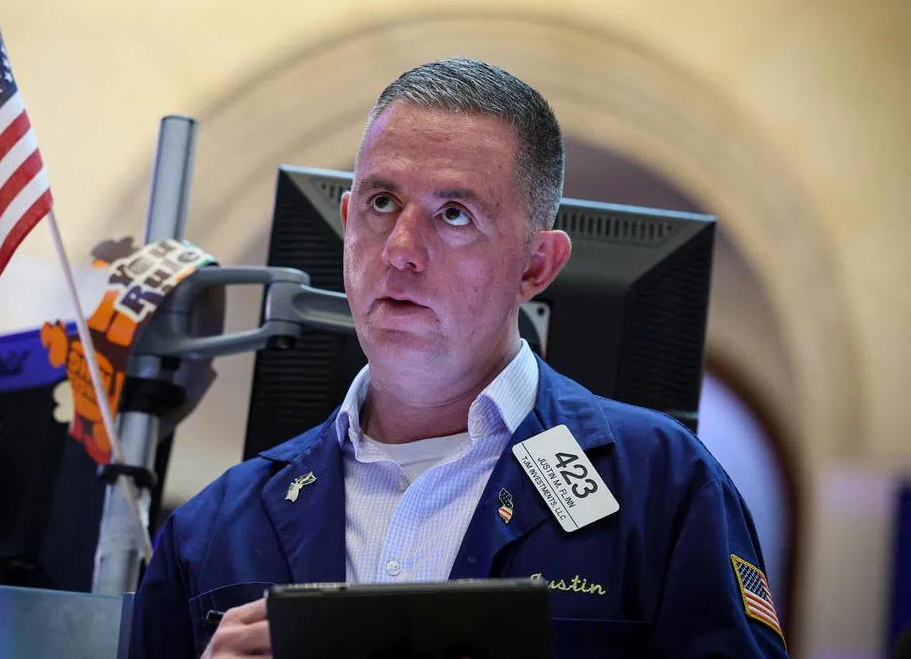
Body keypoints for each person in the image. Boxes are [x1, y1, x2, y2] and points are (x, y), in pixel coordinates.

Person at [129, 58, 789, 658]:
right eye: (383, 204)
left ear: (536, 265)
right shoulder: (212, 528)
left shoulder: (665, 490)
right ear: (349, 218)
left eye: (453, 215)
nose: (400, 250)